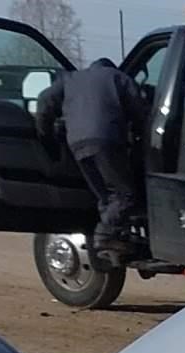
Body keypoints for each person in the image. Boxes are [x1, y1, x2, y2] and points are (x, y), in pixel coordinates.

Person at [34, 56, 147, 248]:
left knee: (105, 196)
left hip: (76, 144)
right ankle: (104, 234)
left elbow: (44, 100)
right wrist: (140, 134)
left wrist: (45, 136)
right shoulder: (119, 78)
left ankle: (113, 240)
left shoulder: (70, 79)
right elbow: (140, 111)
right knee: (125, 194)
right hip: (106, 140)